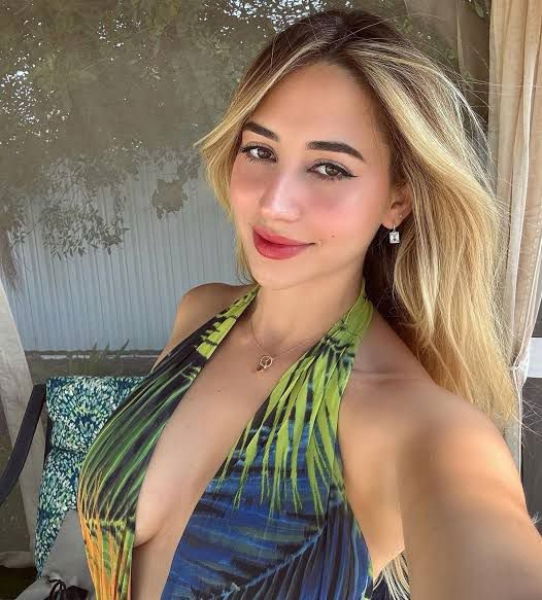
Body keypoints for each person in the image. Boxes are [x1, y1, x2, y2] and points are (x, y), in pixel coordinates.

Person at [76, 7, 542, 600]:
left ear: (396, 200)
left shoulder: (425, 426)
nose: (275, 203)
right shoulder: (200, 314)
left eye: (329, 167)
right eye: (260, 151)